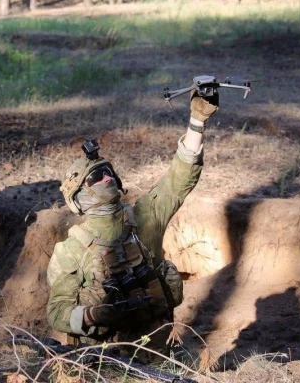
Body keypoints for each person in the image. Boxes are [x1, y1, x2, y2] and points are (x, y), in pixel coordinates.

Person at [46, 90, 219, 347]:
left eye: (107, 172)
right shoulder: (71, 251)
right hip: (103, 360)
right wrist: (94, 314)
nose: (105, 177)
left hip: (157, 353)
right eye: (95, 177)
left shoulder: (144, 218)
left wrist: (197, 120)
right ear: (79, 198)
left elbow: (179, 179)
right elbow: (57, 312)